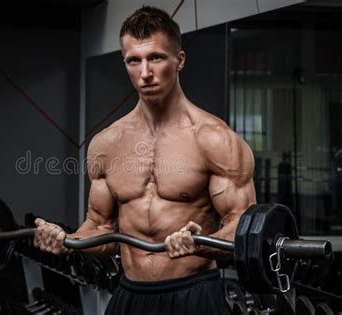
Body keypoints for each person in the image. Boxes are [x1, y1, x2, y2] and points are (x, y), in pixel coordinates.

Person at [34, 6, 256, 314]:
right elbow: (101, 229)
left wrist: (200, 242)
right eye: (133, 61)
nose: (145, 73)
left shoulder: (215, 139)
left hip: (193, 294)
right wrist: (67, 240)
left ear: (179, 60)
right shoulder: (106, 144)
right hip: (130, 294)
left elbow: (242, 228)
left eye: (156, 57)